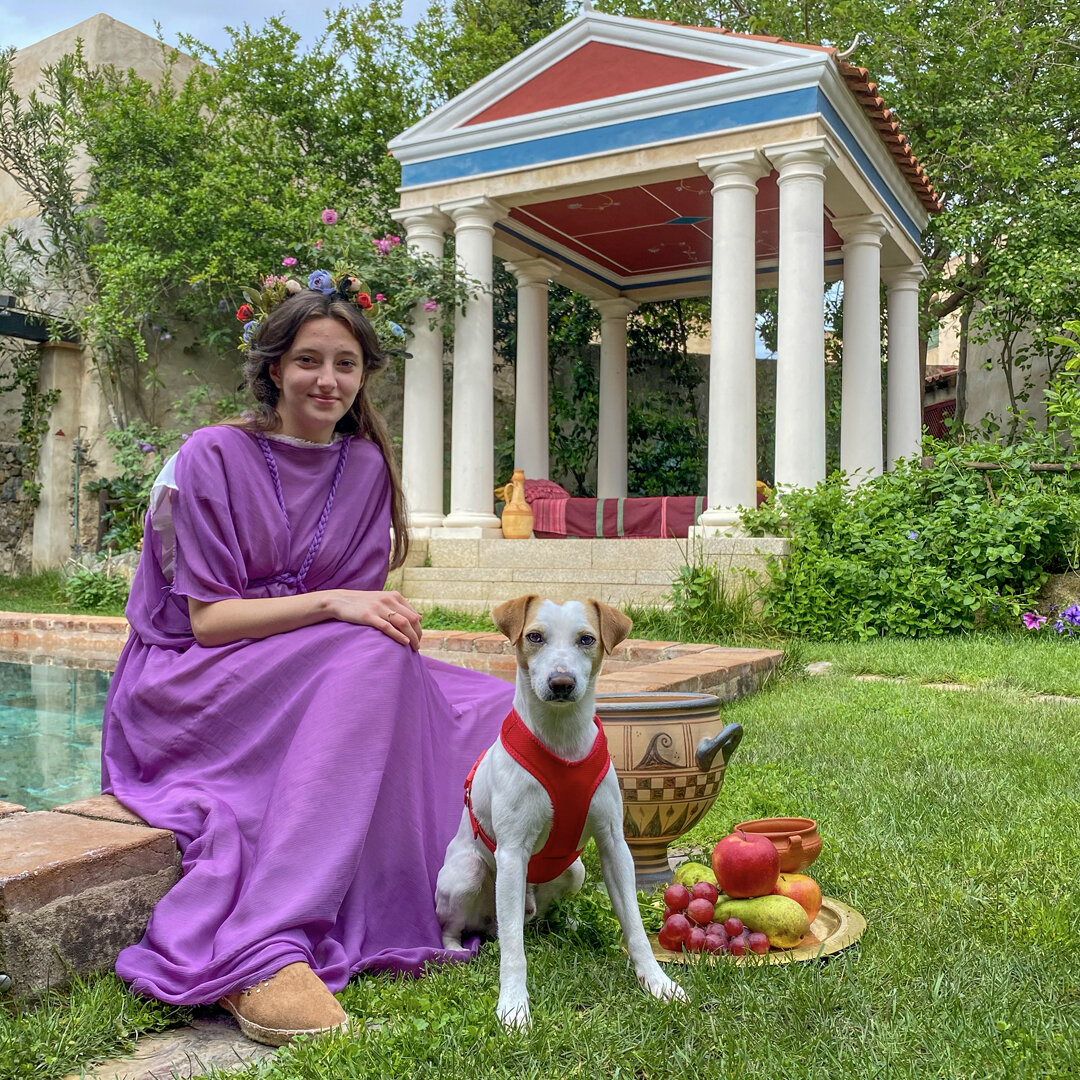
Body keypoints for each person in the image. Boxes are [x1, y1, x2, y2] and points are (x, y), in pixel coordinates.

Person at [100, 283, 515, 1047]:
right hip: (192, 677)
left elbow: (360, 615)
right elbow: (208, 621)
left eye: (345, 364)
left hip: (307, 667)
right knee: (368, 655)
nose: (327, 380)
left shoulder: (363, 469)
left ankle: (482, 893)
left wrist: (364, 612)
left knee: (496, 708)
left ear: (363, 377)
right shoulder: (210, 456)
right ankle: (265, 942)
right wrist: (334, 604)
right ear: (273, 371)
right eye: (308, 361)